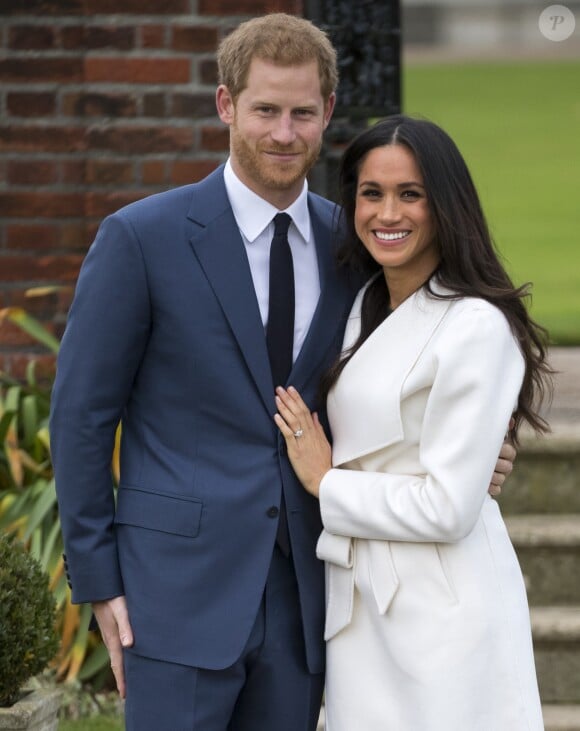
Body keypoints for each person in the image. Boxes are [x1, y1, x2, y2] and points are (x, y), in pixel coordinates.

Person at [50, 14, 516, 731]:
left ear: (328, 111)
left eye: (303, 113)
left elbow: (423, 355)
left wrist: (484, 442)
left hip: (313, 599)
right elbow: (81, 416)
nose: (284, 132)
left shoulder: (355, 241)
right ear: (226, 104)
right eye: (265, 109)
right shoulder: (142, 239)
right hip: (175, 596)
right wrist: (100, 582)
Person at [275, 115, 552, 730]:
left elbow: (450, 509)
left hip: (440, 611)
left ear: (445, 205)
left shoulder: (475, 324)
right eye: (371, 193)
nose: (387, 213)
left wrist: (328, 483)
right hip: (360, 607)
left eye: (410, 194)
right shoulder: (362, 306)